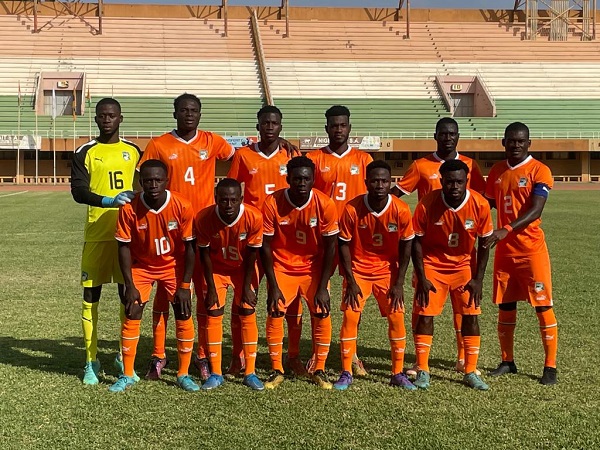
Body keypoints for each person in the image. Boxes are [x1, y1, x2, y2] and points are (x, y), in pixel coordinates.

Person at [139, 93, 236, 381]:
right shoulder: (159, 144)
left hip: (204, 232)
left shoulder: (212, 141)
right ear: (175, 113)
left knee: (205, 295)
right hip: (169, 232)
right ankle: (158, 355)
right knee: (164, 297)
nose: (189, 114)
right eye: (183, 110)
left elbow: (238, 156)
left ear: (200, 114)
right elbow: (142, 179)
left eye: (193, 110)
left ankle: (202, 356)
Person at [393, 117, 486, 377]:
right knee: (423, 307)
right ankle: (420, 362)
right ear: (436, 135)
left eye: (452, 134)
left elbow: (481, 199)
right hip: (430, 246)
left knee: (465, 309)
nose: (448, 138)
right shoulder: (421, 165)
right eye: (443, 134)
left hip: (461, 249)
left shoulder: (470, 165)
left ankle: (463, 360)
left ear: (458, 136)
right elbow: (396, 194)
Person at [225, 105, 302, 378]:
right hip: (250, 236)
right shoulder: (244, 155)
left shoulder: (292, 154)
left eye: (274, 123)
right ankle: (239, 357)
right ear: (258, 127)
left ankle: (292, 357)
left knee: (291, 302)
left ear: (281, 127)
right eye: (265, 123)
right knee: (244, 298)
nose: (269, 127)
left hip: (283, 238)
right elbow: (230, 191)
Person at [109, 159, 198, 392]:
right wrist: (128, 284)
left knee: (183, 311)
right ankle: (128, 374)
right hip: (142, 267)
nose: (153, 184)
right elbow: (123, 246)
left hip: (172, 266)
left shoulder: (182, 205)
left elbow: (190, 247)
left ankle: (183, 373)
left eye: (158, 180)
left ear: (166, 181)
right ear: (141, 182)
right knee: (132, 310)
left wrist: (185, 285)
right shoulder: (129, 207)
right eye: (148, 180)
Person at [70, 98, 141, 385]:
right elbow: (78, 192)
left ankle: (125, 358)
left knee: (128, 296)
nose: (106, 120)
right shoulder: (85, 152)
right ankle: (91, 361)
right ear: (96, 119)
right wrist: (108, 201)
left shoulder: (134, 151)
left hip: (127, 237)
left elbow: (149, 184)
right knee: (91, 297)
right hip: (97, 235)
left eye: (111, 115)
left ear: (120, 118)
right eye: (102, 116)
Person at [484, 122, 558, 386]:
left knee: (542, 304)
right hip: (504, 252)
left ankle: (550, 367)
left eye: (521, 141)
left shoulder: (540, 170)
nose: (515, 145)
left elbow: (536, 209)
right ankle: (507, 361)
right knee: (505, 305)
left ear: (529, 143)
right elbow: (487, 203)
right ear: (503, 142)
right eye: (511, 141)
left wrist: (505, 228)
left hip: (531, 250)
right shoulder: (497, 171)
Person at [333, 161, 415, 391]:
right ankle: (346, 371)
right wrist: (349, 280)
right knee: (350, 317)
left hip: (387, 272)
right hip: (358, 271)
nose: (380, 185)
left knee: (397, 318)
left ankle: (397, 372)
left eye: (384, 181)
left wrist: (399, 283)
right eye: (375, 181)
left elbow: (407, 246)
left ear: (391, 183)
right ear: (366, 182)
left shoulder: (400, 209)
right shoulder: (352, 209)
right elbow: (344, 246)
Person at [411, 159, 492, 390]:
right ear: (442, 181)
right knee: (425, 315)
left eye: (459, 182)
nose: (454, 186)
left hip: (464, 267)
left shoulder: (479, 204)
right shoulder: (427, 203)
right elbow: (416, 241)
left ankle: (470, 370)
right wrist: (422, 276)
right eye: (449, 182)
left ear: (466, 181)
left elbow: (484, 244)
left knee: (471, 315)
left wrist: (478, 279)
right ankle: (423, 369)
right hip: (433, 266)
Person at [306, 105, 373, 376]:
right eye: (333, 125)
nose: (338, 129)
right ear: (327, 128)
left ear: (349, 127)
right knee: (318, 293)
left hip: (353, 238)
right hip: (321, 237)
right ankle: (317, 352)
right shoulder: (313, 158)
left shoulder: (365, 160)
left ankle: (352, 353)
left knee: (351, 295)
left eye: (342, 125)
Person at [261, 156, 339, 389]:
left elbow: (331, 247)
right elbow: (265, 246)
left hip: (312, 268)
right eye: (297, 178)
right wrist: (273, 285)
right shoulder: (272, 202)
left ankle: (320, 369)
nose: (301, 183)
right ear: (288, 179)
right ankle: (277, 369)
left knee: (321, 311)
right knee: (276, 311)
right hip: (282, 267)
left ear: (313, 179)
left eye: (306, 178)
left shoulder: (325, 204)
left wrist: (324, 286)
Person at [195, 178, 264, 391]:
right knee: (213, 313)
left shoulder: (253, 217)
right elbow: (204, 253)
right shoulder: (204, 217)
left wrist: (246, 287)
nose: (228, 205)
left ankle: (250, 371)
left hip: (243, 269)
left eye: (233, 200)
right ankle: (216, 373)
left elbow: (253, 253)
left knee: (247, 311)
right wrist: (211, 287)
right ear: (216, 199)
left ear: (241, 199)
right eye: (223, 200)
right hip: (216, 270)